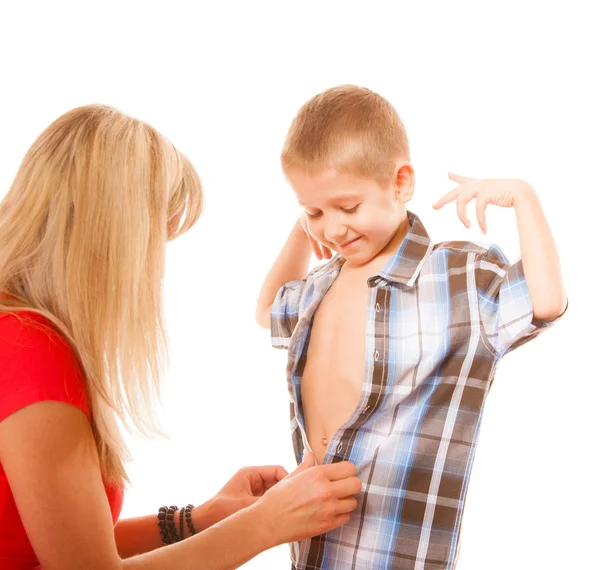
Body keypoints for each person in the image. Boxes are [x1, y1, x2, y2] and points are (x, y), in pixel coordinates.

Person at [0, 104, 363, 570]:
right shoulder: (32, 352)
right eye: (153, 243)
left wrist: (200, 518)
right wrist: (266, 524)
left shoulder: (15, 331)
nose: (155, 267)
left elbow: (51, 545)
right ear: (112, 237)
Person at [255, 85, 568, 570]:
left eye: (348, 207)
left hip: (393, 548)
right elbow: (268, 310)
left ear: (400, 183)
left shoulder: (455, 277)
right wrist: (302, 229)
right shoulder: (320, 285)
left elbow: (544, 301)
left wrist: (524, 199)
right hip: (312, 544)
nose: (332, 229)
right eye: (314, 211)